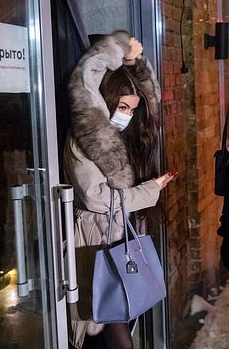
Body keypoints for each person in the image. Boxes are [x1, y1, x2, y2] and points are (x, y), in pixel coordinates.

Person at [64, 30, 175, 349]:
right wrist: (149, 191)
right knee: (106, 326)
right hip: (95, 242)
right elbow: (96, 197)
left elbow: (152, 99)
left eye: (132, 109)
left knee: (118, 318)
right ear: (108, 99)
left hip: (116, 239)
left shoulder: (118, 137)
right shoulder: (86, 137)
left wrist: (137, 62)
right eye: (123, 106)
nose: (127, 115)